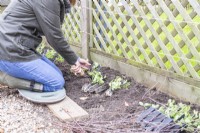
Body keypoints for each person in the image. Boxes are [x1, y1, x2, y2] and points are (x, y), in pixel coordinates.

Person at [0, 0, 90, 93]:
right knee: (55, 83)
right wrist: (74, 60)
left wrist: (76, 60)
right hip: (10, 50)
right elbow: (54, 37)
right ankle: (5, 78)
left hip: (15, 45)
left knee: (57, 74)